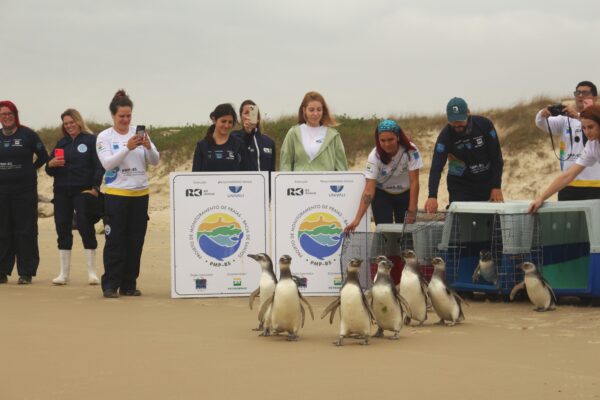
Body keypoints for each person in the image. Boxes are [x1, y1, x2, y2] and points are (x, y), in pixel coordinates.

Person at [96, 90, 160, 298]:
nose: (125, 120)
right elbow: (107, 163)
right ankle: (110, 285)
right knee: (115, 241)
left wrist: (148, 146)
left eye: (128, 115)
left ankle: (129, 284)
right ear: (113, 116)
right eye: (121, 116)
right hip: (116, 195)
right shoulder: (105, 137)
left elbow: (154, 161)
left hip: (140, 195)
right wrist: (127, 147)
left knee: (135, 241)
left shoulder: (140, 133)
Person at [46, 109, 104, 285]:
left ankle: (92, 273)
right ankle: (64, 274)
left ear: (79, 122)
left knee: (86, 227)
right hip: (62, 192)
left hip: (84, 191)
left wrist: (95, 187)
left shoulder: (90, 140)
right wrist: (51, 164)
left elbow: (99, 166)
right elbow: (49, 171)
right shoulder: (61, 143)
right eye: (66, 123)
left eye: (72, 122)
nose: (69, 126)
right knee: (62, 228)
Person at [424, 97, 504, 213]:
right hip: (460, 185)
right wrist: (432, 196)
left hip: (486, 182)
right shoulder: (445, 136)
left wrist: (496, 186)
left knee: (491, 225)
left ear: (468, 113)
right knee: (461, 225)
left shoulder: (484, 125)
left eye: (460, 120)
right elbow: (436, 167)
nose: (456, 125)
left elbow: (496, 158)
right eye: (453, 121)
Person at [0, 101, 49, 284]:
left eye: (9, 113)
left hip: (25, 191)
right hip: (2, 191)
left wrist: (31, 169)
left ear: (15, 114)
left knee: (25, 230)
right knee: (3, 230)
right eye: (3, 114)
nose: (6, 116)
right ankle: (2, 271)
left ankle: (26, 272)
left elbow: (43, 156)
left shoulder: (28, 135)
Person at [344, 119, 422, 233]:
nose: (387, 144)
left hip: (405, 193)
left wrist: (412, 209)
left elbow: (414, 181)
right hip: (382, 194)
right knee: (385, 233)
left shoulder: (411, 150)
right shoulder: (374, 156)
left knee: (406, 234)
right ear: (378, 140)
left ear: (398, 137)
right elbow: (368, 191)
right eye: (382, 140)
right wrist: (357, 219)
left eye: (390, 139)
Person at [534, 81, 600, 200]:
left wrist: (577, 116)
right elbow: (568, 175)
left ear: (594, 97)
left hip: (595, 184)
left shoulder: (588, 118)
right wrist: (542, 114)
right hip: (570, 184)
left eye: (585, 93)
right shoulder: (592, 145)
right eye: (578, 93)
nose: (580, 96)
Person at [530, 105, 600, 213]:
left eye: (591, 127)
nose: (586, 132)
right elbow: (569, 175)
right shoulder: (592, 145)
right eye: (583, 128)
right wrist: (541, 198)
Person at [279, 91, 348, 171]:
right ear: (304, 110)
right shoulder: (293, 133)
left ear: (323, 110)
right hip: (300, 183)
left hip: (325, 182)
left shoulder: (333, 135)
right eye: (311, 110)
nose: (315, 113)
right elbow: (285, 164)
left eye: (319, 110)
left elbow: (341, 167)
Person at [192, 103, 247, 171]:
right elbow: (195, 176)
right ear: (214, 120)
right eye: (223, 121)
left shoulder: (239, 144)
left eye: (230, 122)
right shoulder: (202, 146)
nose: (226, 125)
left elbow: (245, 174)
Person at [231, 100, 276, 172]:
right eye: (246, 113)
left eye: (253, 113)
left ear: (258, 118)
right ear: (241, 117)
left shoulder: (269, 142)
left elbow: (272, 170)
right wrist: (248, 132)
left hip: (265, 182)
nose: (249, 116)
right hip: (245, 182)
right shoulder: (235, 136)